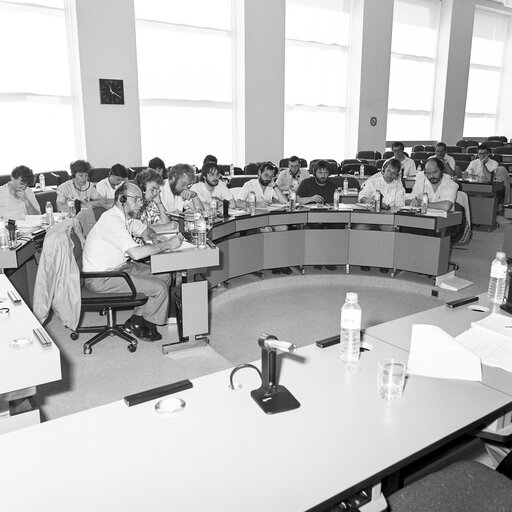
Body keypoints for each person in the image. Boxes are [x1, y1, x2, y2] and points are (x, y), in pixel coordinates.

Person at [82, 182, 183, 342]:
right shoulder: (111, 221)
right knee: (159, 288)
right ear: (122, 199)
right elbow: (136, 253)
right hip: (102, 278)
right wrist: (167, 245)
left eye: (141, 200)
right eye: (136, 199)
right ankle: (145, 325)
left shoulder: (125, 218)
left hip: (121, 269)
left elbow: (144, 229)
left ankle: (136, 321)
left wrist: (153, 236)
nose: (140, 204)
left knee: (164, 274)